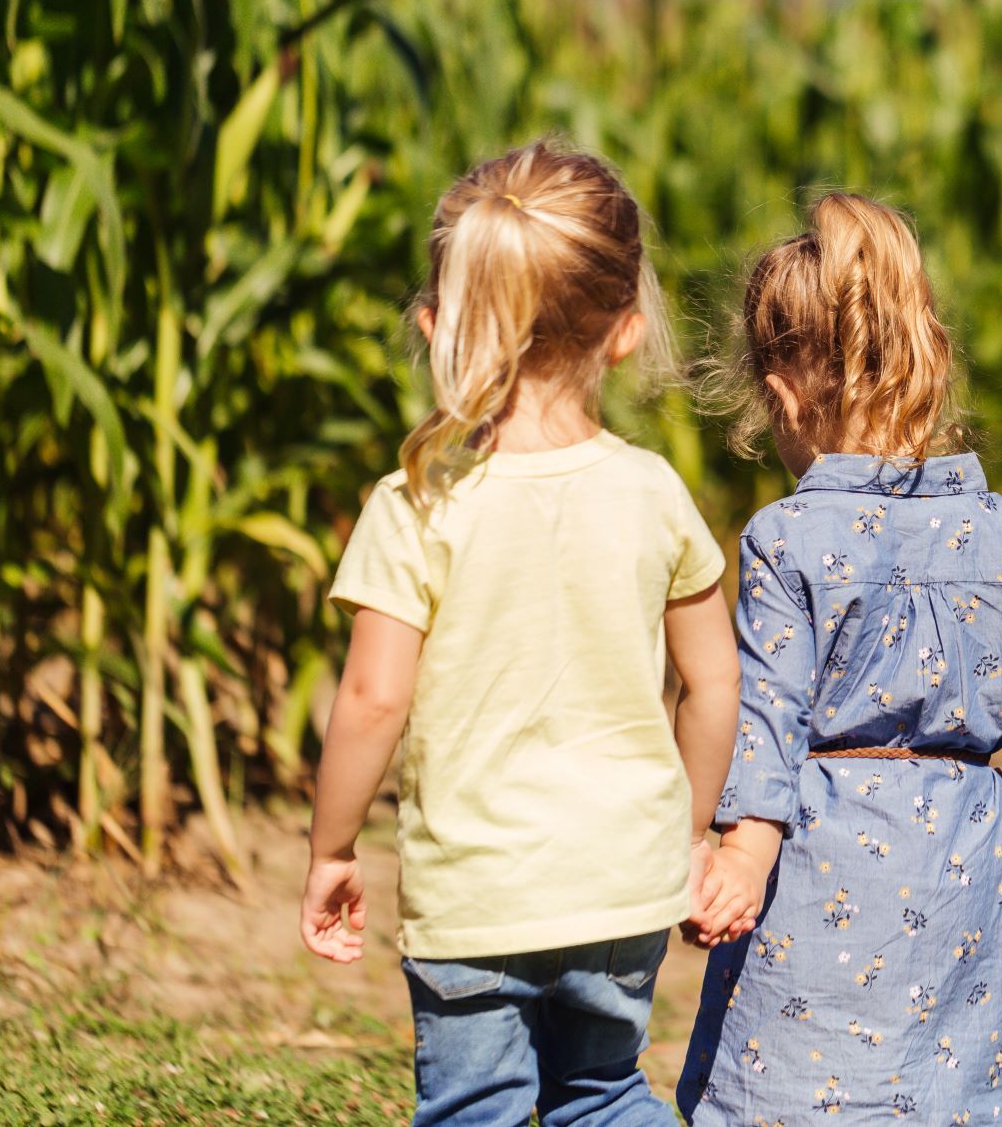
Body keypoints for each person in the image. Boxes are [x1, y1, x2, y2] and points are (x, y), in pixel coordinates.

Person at [299, 140, 741, 1127]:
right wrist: (689, 834)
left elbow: (372, 698)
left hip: (475, 895)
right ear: (624, 332)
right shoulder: (654, 495)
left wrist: (332, 849)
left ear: (433, 325)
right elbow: (713, 685)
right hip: (624, 882)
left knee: (477, 1107)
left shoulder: (412, 504)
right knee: (605, 1094)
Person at [677, 193, 1002, 1124]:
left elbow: (765, 721)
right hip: (959, 894)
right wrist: (977, 815)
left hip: (808, 882)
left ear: (785, 386)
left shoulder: (787, 539)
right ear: (931, 358)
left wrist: (739, 852)